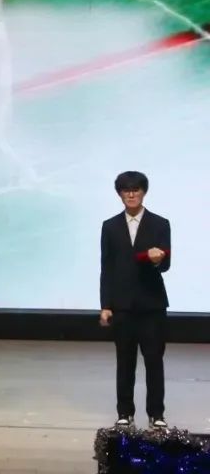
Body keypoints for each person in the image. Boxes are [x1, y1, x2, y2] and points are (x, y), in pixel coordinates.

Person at [99, 170, 171, 429]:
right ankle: (124, 412)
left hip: (152, 305)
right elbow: (107, 267)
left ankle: (156, 414)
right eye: (126, 191)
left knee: (154, 361)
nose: (131, 195)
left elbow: (166, 265)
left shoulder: (160, 223)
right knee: (125, 361)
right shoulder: (110, 226)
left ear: (143, 192)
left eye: (136, 190)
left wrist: (157, 260)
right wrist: (105, 305)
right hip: (122, 306)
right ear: (120, 194)